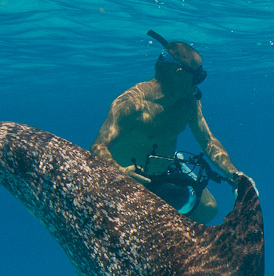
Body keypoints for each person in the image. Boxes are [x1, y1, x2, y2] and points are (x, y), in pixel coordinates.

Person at [91, 30, 239, 225]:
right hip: (128, 178)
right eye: (197, 77)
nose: (198, 85)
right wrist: (120, 172)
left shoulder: (189, 103)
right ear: (179, 74)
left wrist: (235, 175)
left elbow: (208, 141)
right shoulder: (132, 103)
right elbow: (98, 147)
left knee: (208, 209)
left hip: (164, 170)